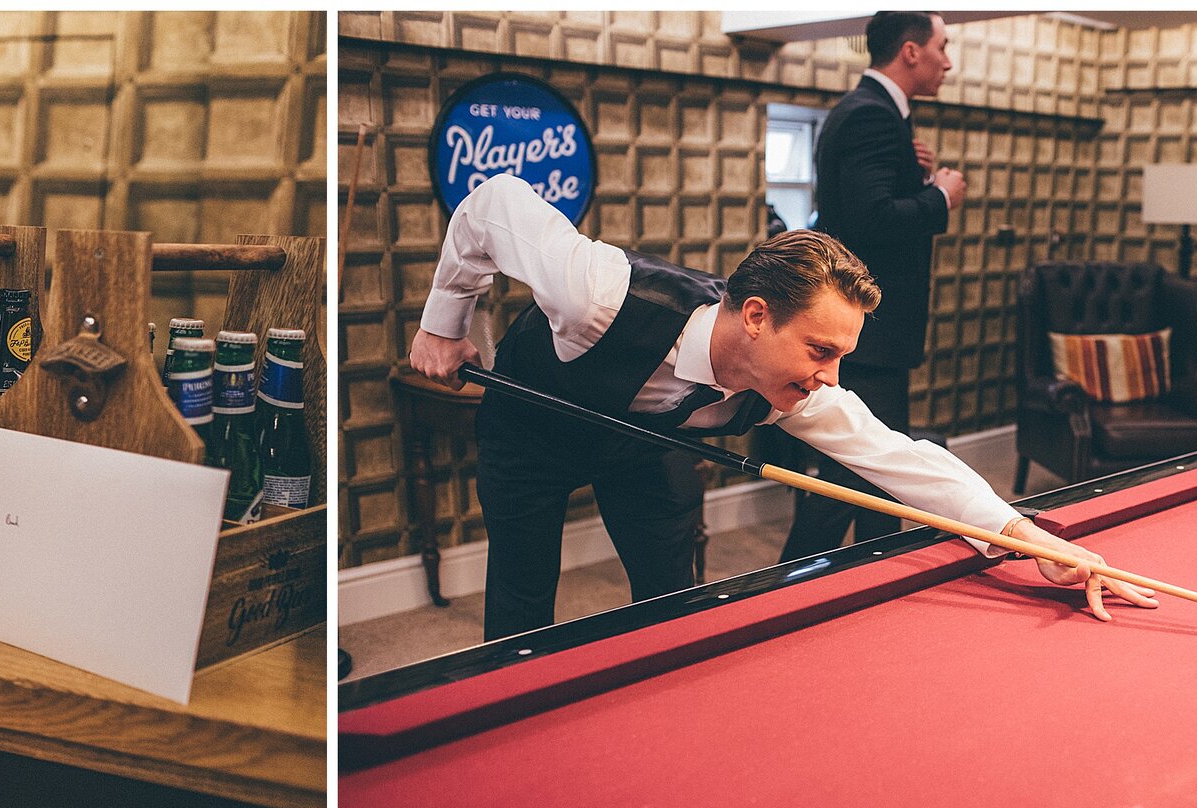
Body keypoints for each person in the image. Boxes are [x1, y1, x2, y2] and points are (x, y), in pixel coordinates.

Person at [409, 173, 1148, 641]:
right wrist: (442, 327)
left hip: (647, 447)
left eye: (840, 357)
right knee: (521, 593)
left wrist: (1032, 539)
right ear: (756, 317)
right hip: (532, 426)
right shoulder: (598, 293)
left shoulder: (790, 392)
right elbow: (492, 204)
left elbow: (901, 457)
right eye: (822, 350)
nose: (830, 378)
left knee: (673, 601)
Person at [780, 10, 971, 563]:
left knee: (871, 476)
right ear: (911, 52)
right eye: (942, 46)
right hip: (871, 335)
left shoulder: (878, 114)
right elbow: (870, 222)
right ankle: (776, 588)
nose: (948, 60)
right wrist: (941, 197)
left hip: (873, 335)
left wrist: (916, 177)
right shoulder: (873, 116)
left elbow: (852, 205)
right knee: (858, 472)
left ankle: (872, 575)